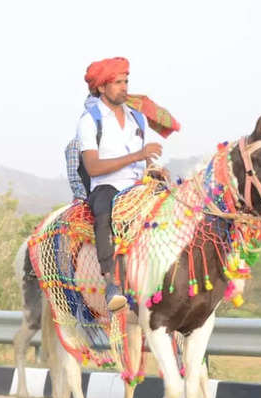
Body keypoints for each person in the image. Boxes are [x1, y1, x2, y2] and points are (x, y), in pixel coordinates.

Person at [77, 57, 163, 311]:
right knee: (103, 213)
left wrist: (155, 171)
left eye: (126, 81)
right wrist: (137, 156)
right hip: (107, 185)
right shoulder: (89, 120)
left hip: (139, 185)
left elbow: (145, 161)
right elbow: (93, 167)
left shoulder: (138, 118)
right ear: (102, 88)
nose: (124, 87)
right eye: (117, 83)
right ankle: (110, 283)